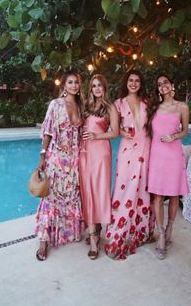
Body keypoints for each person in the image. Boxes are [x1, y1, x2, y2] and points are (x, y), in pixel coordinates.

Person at [105, 69, 155, 260]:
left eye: (137, 81)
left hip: (146, 149)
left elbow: (153, 126)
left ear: (141, 84)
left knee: (143, 190)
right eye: (131, 80)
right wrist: (122, 132)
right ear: (126, 82)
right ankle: (118, 234)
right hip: (127, 151)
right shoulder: (117, 104)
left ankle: (140, 232)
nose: (133, 83)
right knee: (123, 190)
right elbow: (113, 129)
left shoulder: (147, 103)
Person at [35, 70, 85, 260]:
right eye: (70, 82)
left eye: (77, 83)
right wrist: (42, 156)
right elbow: (47, 131)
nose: (74, 86)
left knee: (70, 196)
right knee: (51, 198)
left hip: (73, 160)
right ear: (64, 85)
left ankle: (65, 232)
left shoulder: (80, 106)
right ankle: (44, 241)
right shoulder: (55, 105)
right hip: (56, 158)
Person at [146, 74, 189, 260]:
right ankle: (161, 233)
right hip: (156, 156)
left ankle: (170, 227)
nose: (162, 86)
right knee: (157, 195)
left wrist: (174, 136)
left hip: (173, 155)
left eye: (165, 82)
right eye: (159, 84)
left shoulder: (182, 107)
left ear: (172, 85)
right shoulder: (154, 108)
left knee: (173, 194)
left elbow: (185, 131)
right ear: (158, 89)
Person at [79, 74, 119, 260]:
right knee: (87, 191)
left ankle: (95, 239)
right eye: (93, 86)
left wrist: (96, 136)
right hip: (84, 153)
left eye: (99, 86)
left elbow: (115, 133)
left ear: (104, 88)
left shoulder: (110, 107)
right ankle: (94, 228)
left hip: (101, 152)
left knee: (99, 191)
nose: (96, 89)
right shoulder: (86, 106)